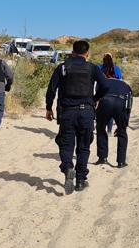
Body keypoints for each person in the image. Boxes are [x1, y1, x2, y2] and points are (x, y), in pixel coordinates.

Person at [45, 39, 108, 194]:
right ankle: (80, 180)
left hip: (67, 112)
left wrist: (48, 108)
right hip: (86, 112)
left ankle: (67, 168)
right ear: (87, 53)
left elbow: (51, 89)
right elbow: (105, 86)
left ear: (72, 52)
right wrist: (95, 99)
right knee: (84, 147)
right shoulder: (92, 68)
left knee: (65, 144)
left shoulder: (63, 68)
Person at [94, 75, 133, 167]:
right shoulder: (126, 85)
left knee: (100, 128)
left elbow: (97, 97)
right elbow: (129, 104)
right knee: (122, 132)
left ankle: (102, 158)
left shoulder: (103, 82)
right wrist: (124, 124)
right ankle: (121, 161)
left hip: (106, 102)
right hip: (121, 103)